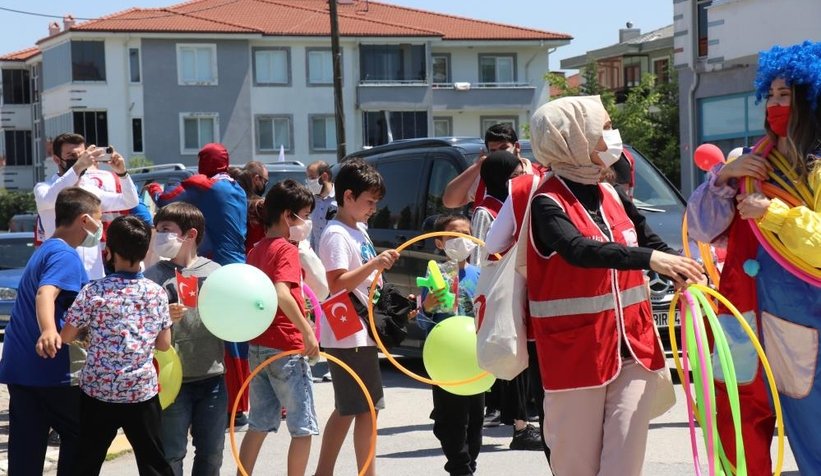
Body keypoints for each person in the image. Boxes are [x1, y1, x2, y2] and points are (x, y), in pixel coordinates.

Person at [527, 95, 703, 475]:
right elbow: (577, 249)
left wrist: (683, 268)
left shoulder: (611, 193)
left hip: (635, 349)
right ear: (573, 137)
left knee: (623, 465)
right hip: (577, 356)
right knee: (576, 467)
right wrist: (650, 260)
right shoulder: (546, 201)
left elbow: (648, 240)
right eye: (603, 128)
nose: (612, 136)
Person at [685, 41, 821, 474]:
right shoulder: (748, 162)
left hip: (806, 321)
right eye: (773, 95)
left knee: (815, 430)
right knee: (737, 428)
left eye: (788, 96)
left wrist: (775, 214)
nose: (776, 106)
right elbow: (703, 230)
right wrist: (722, 179)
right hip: (742, 318)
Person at [55, 215, 174, 475]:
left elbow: (65, 336)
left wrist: (88, 335)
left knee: (86, 460)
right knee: (153, 461)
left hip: (98, 390)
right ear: (145, 251)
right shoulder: (156, 293)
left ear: (109, 253)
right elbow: (164, 345)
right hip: (141, 391)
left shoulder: (93, 291)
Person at [0, 187, 101, 475]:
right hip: (52, 371)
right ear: (84, 220)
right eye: (99, 219)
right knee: (83, 437)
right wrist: (48, 330)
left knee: (26, 449)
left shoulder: (46, 248)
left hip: (22, 369)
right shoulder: (66, 256)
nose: (100, 226)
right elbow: (45, 294)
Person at [149, 142, 251, 428]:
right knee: (236, 338)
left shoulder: (203, 184)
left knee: (210, 335)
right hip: (240, 266)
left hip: (212, 267)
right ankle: (241, 405)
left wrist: (154, 188)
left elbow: (166, 201)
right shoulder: (238, 186)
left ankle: (228, 406)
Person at [314, 159, 398, 476]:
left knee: (354, 408)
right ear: (348, 196)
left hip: (358, 330)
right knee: (364, 409)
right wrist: (375, 264)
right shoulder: (336, 234)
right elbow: (335, 282)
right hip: (347, 330)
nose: (373, 208)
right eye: (369, 201)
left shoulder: (357, 230)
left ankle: (328, 472)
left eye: (376, 202)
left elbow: (365, 281)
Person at [238, 179, 320, 476]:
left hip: (259, 345)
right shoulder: (286, 249)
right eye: (306, 216)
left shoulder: (256, 249)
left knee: (259, 423)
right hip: (286, 345)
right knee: (303, 427)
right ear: (288, 216)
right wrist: (307, 331)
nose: (307, 223)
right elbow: (281, 292)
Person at [144, 202, 226, 476]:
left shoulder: (215, 272)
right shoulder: (152, 277)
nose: (160, 236)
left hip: (212, 377)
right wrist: (163, 316)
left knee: (212, 453)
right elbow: (141, 328)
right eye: (158, 230)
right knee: (171, 454)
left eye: (167, 230)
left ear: (190, 235)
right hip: (171, 383)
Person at [416, 214, 484, 476]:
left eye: (466, 235)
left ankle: (470, 465)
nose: (461, 241)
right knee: (451, 418)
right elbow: (424, 324)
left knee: (476, 418)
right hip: (445, 359)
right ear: (440, 243)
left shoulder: (480, 274)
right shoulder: (435, 274)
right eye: (453, 236)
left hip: (474, 358)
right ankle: (460, 468)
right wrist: (428, 307)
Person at [33, 132, 139, 278]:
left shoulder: (90, 189)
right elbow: (53, 197)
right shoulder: (43, 188)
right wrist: (78, 167)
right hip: (60, 273)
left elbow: (130, 201)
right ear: (57, 159)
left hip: (93, 277)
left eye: (81, 155)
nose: (78, 159)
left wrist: (122, 173)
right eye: (71, 156)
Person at [441, 123, 536, 209]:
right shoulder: (484, 178)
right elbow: (450, 201)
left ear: (517, 147)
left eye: (503, 148)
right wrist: (477, 166)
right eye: (493, 151)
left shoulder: (538, 176)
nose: (499, 154)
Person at [305, 160, 337, 250]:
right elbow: (311, 234)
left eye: (312, 177)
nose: (309, 181)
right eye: (308, 178)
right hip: (317, 259)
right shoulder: (310, 201)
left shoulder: (341, 199)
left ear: (324, 176)